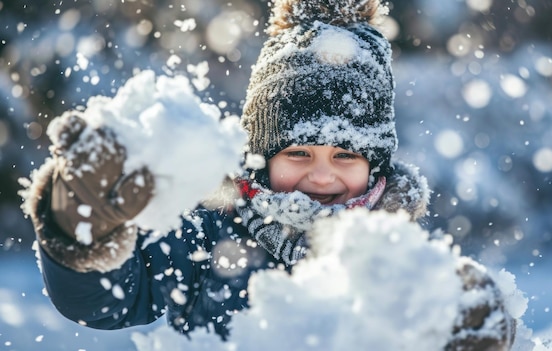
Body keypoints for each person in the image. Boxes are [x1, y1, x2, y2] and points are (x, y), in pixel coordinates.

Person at [19, 0, 516, 349]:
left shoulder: (399, 262)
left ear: (376, 165)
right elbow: (105, 303)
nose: (322, 178)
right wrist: (79, 230)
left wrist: (466, 329)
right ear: (259, 156)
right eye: (298, 153)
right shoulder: (205, 235)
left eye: (345, 156)